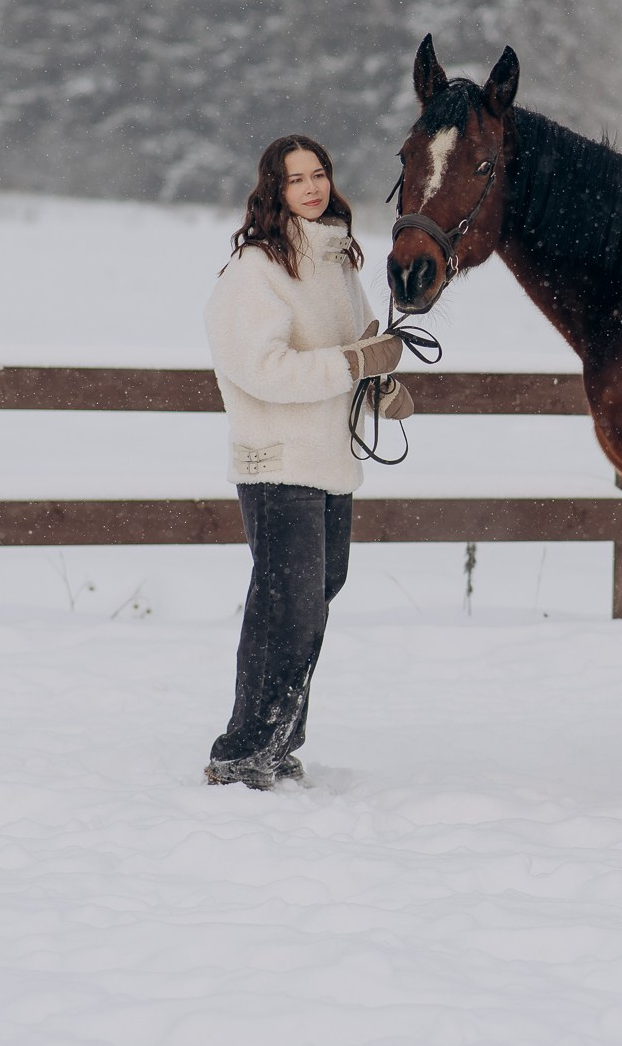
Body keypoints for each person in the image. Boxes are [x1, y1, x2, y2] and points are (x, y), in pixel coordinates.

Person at [202, 134, 412, 789]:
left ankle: (278, 742)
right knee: (285, 607)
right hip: (277, 462)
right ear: (274, 190)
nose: (313, 187)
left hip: (330, 460)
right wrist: (353, 364)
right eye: (297, 179)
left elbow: (362, 342)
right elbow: (262, 370)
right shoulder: (254, 272)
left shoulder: (337, 264)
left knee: (311, 601)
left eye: (319, 173)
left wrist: (380, 387)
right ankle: (242, 753)